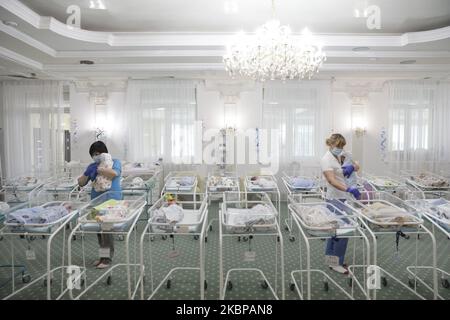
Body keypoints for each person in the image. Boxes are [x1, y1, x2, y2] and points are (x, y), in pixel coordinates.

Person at [320, 133, 361, 274]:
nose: (340, 148)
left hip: (343, 197)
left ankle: (332, 260)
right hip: (334, 198)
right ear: (330, 144)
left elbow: (357, 165)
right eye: (338, 146)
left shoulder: (343, 154)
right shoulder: (326, 159)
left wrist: (352, 167)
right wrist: (349, 188)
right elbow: (331, 180)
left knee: (335, 230)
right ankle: (337, 262)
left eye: (342, 146)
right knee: (342, 230)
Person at [78, 141, 122, 269]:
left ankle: (107, 259)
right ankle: (102, 257)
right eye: (93, 154)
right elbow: (81, 182)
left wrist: (101, 169)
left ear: (104, 153)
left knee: (106, 230)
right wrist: (86, 174)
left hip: (111, 200)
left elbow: (114, 174)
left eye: (98, 154)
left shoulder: (115, 162)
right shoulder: (92, 166)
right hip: (96, 201)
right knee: (99, 231)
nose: (96, 156)